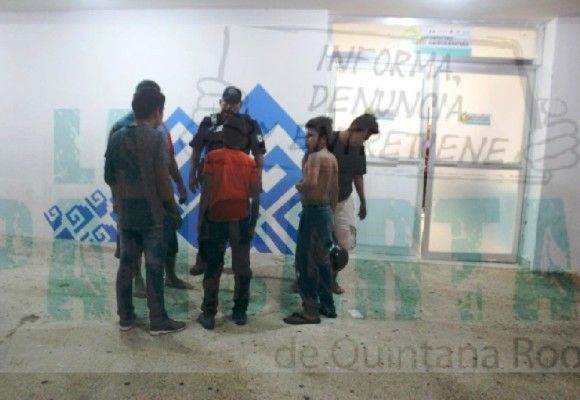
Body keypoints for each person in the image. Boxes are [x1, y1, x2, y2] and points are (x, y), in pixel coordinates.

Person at [105, 88, 186, 335]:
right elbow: (163, 179)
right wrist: (172, 210)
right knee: (154, 266)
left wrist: (120, 200)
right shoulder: (156, 137)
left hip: (127, 213)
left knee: (126, 266)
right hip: (152, 215)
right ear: (157, 111)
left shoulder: (116, 137)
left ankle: (125, 317)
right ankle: (158, 321)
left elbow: (109, 176)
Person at [188, 86, 266, 276]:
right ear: (220, 102)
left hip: (239, 181)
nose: (229, 106)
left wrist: (258, 178)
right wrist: (191, 173)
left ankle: (241, 262)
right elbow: (197, 148)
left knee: (240, 222)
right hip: (211, 180)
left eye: (234, 103)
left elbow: (259, 153)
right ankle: (202, 259)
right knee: (205, 219)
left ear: (240, 104)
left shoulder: (250, 124)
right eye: (226, 102)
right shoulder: (209, 121)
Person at [195, 116, 261, 330]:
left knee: (213, 267)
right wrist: (253, 223)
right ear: (243, 139)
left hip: (216, 219)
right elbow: (255, 197)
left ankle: (209, 313)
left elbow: (206, 192)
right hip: (240, 220)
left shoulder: (212, 158)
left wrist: (200, 220)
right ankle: (240, 311)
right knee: (242, 268)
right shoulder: (249, 162)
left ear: (223, 135)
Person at [283, 116, 338, 325]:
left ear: (323, 137)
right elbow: (335, 190)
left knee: (306, 261)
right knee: (323, 260)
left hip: (313, 213)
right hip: (325, 212)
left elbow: (311, 183)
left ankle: (310, 311)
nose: (306, 140)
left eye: (311, 135)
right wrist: (331, 217)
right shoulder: (331, 158)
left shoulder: (315, 157)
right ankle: (328, 305)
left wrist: (299, 185)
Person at [328, 113, 379, 294]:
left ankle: (332, 279)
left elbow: (358, 176)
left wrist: (363, 201)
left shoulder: (359, 150)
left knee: (344, 243)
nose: (363, 141)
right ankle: (304, 279)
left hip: (343, 200)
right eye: (364, 137)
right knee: (314, 242)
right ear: (355, 128)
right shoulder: (330, 140)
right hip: (322, 202)